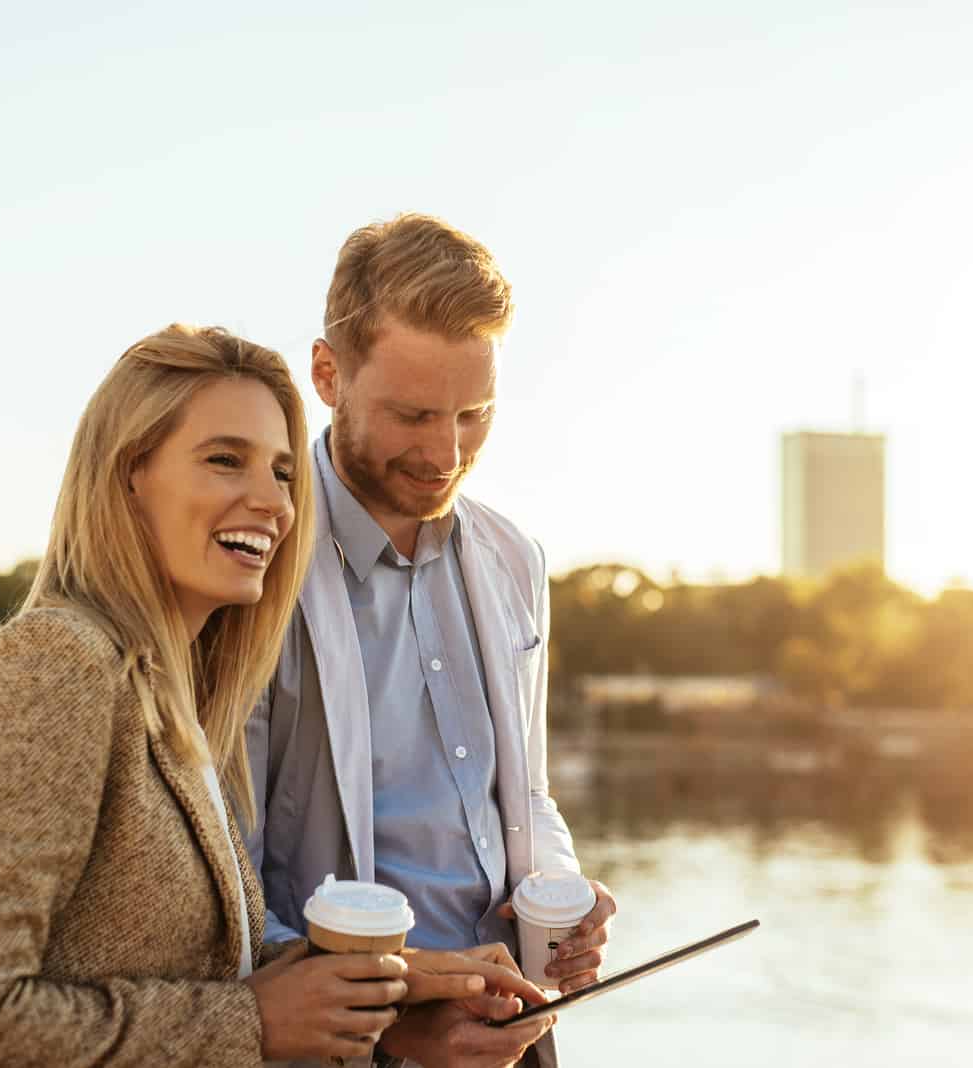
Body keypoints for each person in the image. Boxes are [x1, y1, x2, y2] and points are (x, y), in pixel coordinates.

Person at [0, 324, 538, 1068]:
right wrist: (250, 1021)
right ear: (129, 471)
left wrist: (392, 1006)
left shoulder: (177, 698)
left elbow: (199, 976)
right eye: (225, 460)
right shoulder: (58, 662)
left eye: (283, 473)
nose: (271, 502)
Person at [247, 216, 618, 1068]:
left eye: (474, 414)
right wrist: (397, 1018)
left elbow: (521, 796)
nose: (446, 453)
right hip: (344, 1047)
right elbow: (227, 872)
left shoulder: (514, 559)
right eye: (414, 415)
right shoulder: (254, 563)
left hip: (516, 1039)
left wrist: (559, 902)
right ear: (327, 375)